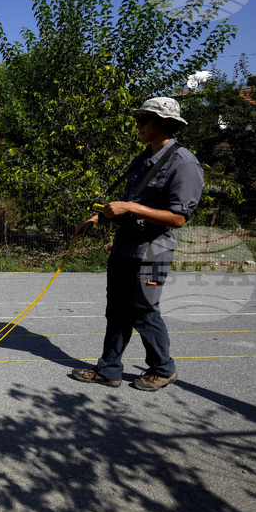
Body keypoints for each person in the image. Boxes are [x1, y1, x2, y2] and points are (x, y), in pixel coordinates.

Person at [71, 97, 204, 392]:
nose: (138, 125)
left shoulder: (185, 163)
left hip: (153, 250)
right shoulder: (144, 159)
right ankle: (108, 370)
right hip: (126, 246)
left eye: (144, 119)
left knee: (143, 310)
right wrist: (96, 218)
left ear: (164, 123)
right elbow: (129, 202)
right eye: (138, 119)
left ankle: (163, 369)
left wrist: (131, 208)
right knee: (117, 310)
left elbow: (178, 218)